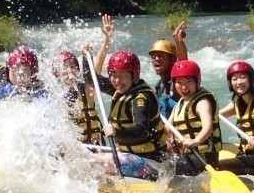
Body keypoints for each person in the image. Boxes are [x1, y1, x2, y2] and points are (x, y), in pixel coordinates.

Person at [93, 50, 167, 180]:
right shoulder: (123, 88)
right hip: (133, 156)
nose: (117, 80)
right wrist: (86, 56)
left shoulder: (140, 99)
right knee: (83, 155)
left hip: (152, 163)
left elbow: (141, 130)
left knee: (94, 162)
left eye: (122, 76)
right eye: (113, 75)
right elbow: (92, 79)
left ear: (134, 76)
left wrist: (116, 132)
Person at [166, 60, 223, 176]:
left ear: (197, 82)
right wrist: (169, 140)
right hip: (188, 155)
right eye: (179, 82)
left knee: (168, 169)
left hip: (205, 157)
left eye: (188, 82)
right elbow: (168, 127)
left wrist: (196, 141)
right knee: (163, 162)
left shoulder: (202, 102)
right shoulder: (180, 103)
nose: (183, 87)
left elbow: (208, 127)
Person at [54, 51, 105, 145]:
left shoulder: (86, 90)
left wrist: (106, 42)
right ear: (57, 73)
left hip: (98, 146)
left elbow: (96, 72)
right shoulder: (56, 98)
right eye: (65, 67)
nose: (69, 70)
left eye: (72, 66)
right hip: (78, 151)